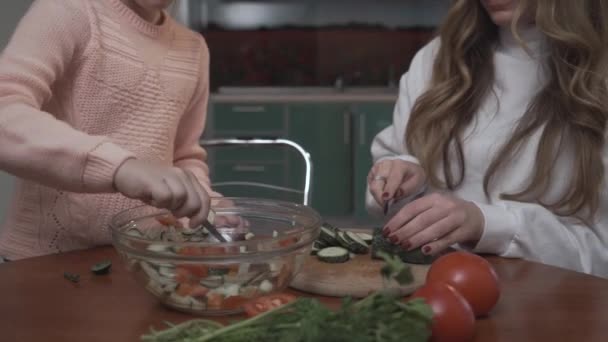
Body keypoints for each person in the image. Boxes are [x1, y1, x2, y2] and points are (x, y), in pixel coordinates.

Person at [367, 0, 608, 277]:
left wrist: (488, 225)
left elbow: (601, 253)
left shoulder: (599, 76)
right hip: (433, 296)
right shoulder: (437, 59)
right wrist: (403, 180)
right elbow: (397, 171)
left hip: (553, 309)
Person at [0, 0, 218, 260]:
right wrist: (118, 167)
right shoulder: (66, 10)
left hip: (147, 261)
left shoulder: (194, 49)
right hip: (47, 259)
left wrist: (211, 211)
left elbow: (184, 157)